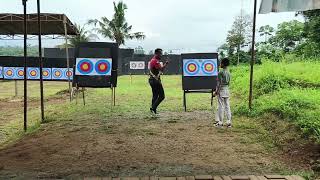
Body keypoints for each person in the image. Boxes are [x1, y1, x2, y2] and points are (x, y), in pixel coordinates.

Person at [148, 48, 169, 114]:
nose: (161, 55)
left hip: (152, 80)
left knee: (155, 95)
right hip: (155, 81)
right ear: (156, 54)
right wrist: (166, 64)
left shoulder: (153, 60)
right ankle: (153, 108)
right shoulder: (155, 61)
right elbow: (161, 69)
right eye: (160, 54)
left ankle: (153, 110)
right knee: (162, 96)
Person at [214, 58, 232, 128]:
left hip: (221, 90)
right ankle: (228, 122)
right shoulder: (228, 72)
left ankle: (220, 122)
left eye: (221, 63)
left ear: (223, 64)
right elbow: (228, 83)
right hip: (227, 90)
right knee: (227, 106)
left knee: (221, 106)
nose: (220, 64)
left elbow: (219, 84)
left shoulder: (220, 73)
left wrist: (216, 92)